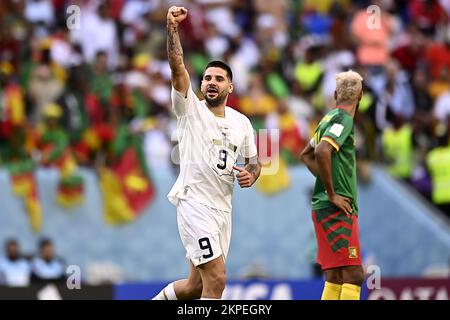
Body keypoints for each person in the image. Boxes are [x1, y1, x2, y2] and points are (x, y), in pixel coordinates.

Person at [152, 6, 261, 300]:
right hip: (194, 204)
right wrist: (172, 28)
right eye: (207, 78)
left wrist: (252, 174)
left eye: (218, 79)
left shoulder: (242, 122)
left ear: (230, 86)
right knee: (217, 278)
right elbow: (177, 66)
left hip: (222, 210)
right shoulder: (190, 109)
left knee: (195, 286)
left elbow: (254, 162)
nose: (211, 82)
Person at [300, 70, 365, 300]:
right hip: (337, 209)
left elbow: (306, 154)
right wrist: (333, 193)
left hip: (326, 208)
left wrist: (329, 185)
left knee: (336, 276)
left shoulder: (326, 119)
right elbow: (321, 151)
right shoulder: (343, 119)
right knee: (355, 274)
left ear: (335, 94)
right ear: (361, 96)